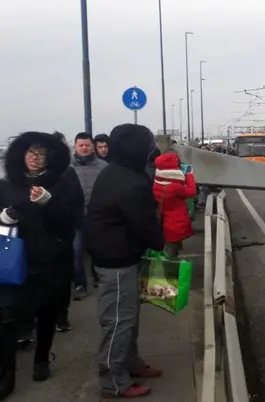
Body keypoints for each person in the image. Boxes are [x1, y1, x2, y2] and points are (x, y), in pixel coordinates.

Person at [0, 132, 84, 398]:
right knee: (9, 318)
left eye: (41, 154)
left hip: (51, 260)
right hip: (14, 262)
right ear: (20, 155)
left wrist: (49, 203)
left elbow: (72, 221)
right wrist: (5, 217)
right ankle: (6, 374)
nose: (35, 159)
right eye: (30, 153)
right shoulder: (6, 185)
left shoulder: (62, 181)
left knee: (46, 312)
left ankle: (42, 359)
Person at [85, 124, 165, 399]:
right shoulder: (130, 181)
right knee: (119, 321)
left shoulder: (116, 172)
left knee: (128, 317)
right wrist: (159, 242)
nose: (151, 150)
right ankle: (113, 381)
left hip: (119, 256)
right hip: (116, 261)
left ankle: (131, 363)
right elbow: (145, 222)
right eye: (148, 144)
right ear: (136, 148)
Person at [66, 132, 107, 303]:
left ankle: (97, 276)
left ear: (92, 147)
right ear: (75, 146)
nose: (84, 148)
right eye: (81, 145)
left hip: (97, 217)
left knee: (98, 249)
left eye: (87, 145)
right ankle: (80, 284)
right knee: (75, 252)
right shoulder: (67, 168)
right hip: (75, 218)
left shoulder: (103, 166)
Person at [153, 152, 197, 257]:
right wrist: (189, 174)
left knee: (169, 248)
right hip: (176, 224)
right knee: (171, 253)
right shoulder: (174, 187)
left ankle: (170, 268)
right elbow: (191, 192)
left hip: (164, 222)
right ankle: (172, 271)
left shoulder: (157, 183)